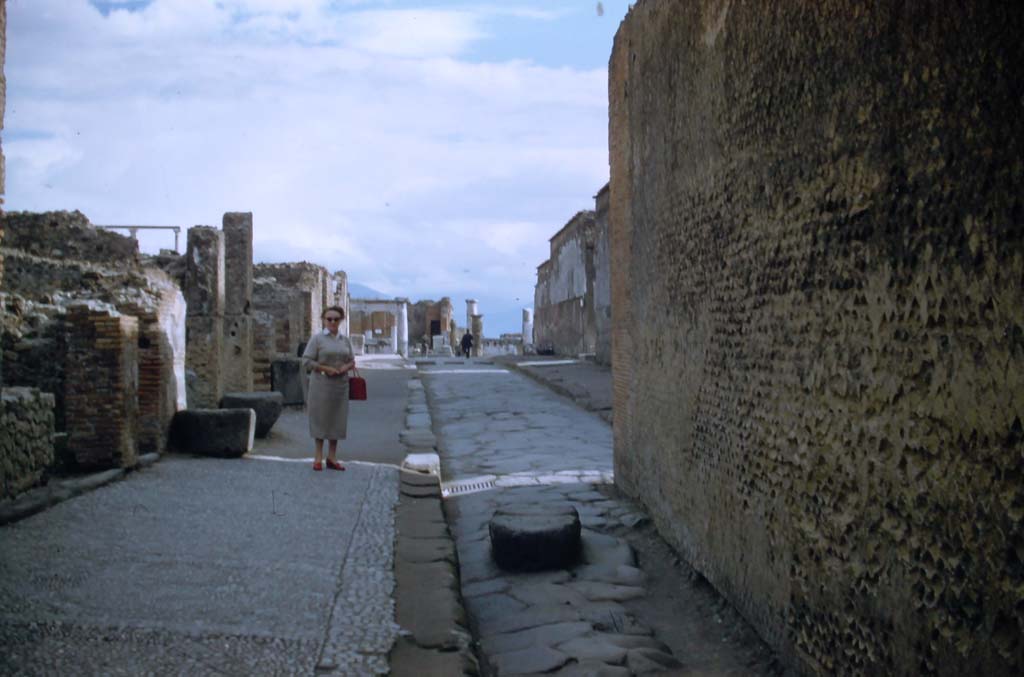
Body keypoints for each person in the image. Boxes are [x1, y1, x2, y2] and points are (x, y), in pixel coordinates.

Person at [301, 306, 356, 472]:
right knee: (320, 419)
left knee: (336, 420)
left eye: (336, 319)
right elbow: (306, 361)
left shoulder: (345, 340)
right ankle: (318, 457)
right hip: (321, 384)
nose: (332, 322)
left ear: (341, 321)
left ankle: (332, 457)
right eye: (329, 319)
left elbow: (352, 360)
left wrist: (345, 368)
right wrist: (325, 368)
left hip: (340, 385)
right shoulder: (317, 339)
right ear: (323, 320)